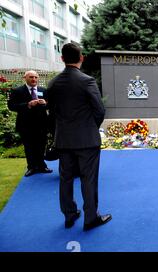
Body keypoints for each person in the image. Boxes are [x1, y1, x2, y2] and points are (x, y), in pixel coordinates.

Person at [47, 43, 111, 231]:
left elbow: (51, 113)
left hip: (64, 141)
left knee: (65, 178)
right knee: (88, 179)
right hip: (87, 141)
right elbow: (99, 110)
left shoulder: (53, 83)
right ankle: (90, 218)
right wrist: (91, 128)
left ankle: (69, 214)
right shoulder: (87, 81)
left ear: (62, 59)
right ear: (81, 58)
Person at [7, 70, 53, 177]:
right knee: (29, 147)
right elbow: (11, 106)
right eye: (31, 77)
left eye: (36, 77)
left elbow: (50, 105)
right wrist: (27, 105)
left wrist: (45, 103)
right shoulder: (17, 91)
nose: (34, 79)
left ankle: (42, 166)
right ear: (25, 78)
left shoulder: (43, 90)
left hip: (42, 124)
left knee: (41, 146)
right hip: (25, 125)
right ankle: (31, 167)